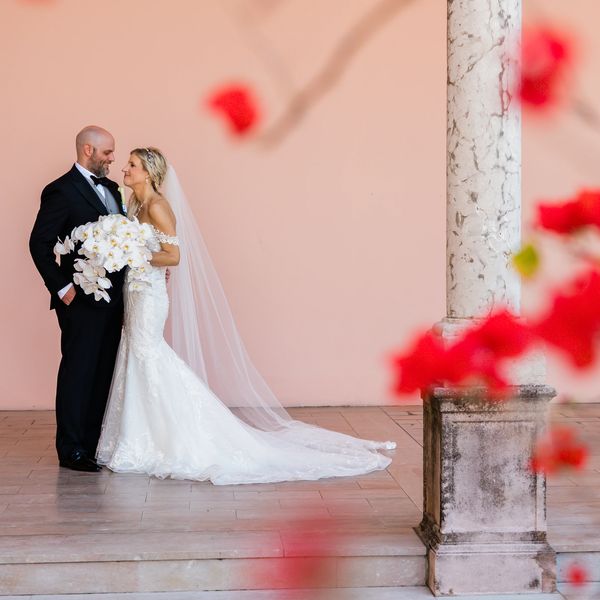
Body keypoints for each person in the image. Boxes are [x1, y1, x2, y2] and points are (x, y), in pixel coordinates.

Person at [95, 146, 396, 484]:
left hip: (149, 296)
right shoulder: (134, 205)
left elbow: (174, 256)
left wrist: (132, 254)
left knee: (147, 356)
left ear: (148, 172)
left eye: (132, 164)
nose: (125, 168)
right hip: (134, 293)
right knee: (136, 356)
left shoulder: (158, 206)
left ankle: (175, 437)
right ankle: (140, 438)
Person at [29, 126, 126, 472]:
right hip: (80, 300)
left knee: (103, 372)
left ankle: (92, 444)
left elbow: (123, 242)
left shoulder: (114, 190)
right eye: (108, 152)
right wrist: (63, 289)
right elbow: (39, 245)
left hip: (115, 300)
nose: (113, 158)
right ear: (88, 150)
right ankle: (70, 449)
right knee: (79, 371)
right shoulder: (59, 191)